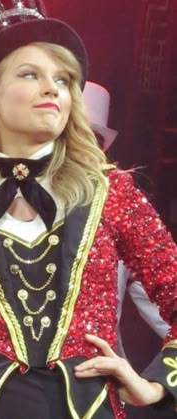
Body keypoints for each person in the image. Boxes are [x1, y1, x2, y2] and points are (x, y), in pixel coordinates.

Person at [0, 0, 177, 418]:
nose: (54, 88)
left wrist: (158, 384)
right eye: (31, 74)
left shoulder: (111, 193)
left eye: (64, 79)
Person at [82, 80, 170, 357]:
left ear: (100, 151)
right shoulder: (6, 208)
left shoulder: (121, 214)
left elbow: (166, 305)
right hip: (13, 388)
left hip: (98, 389)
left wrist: (163, 383)